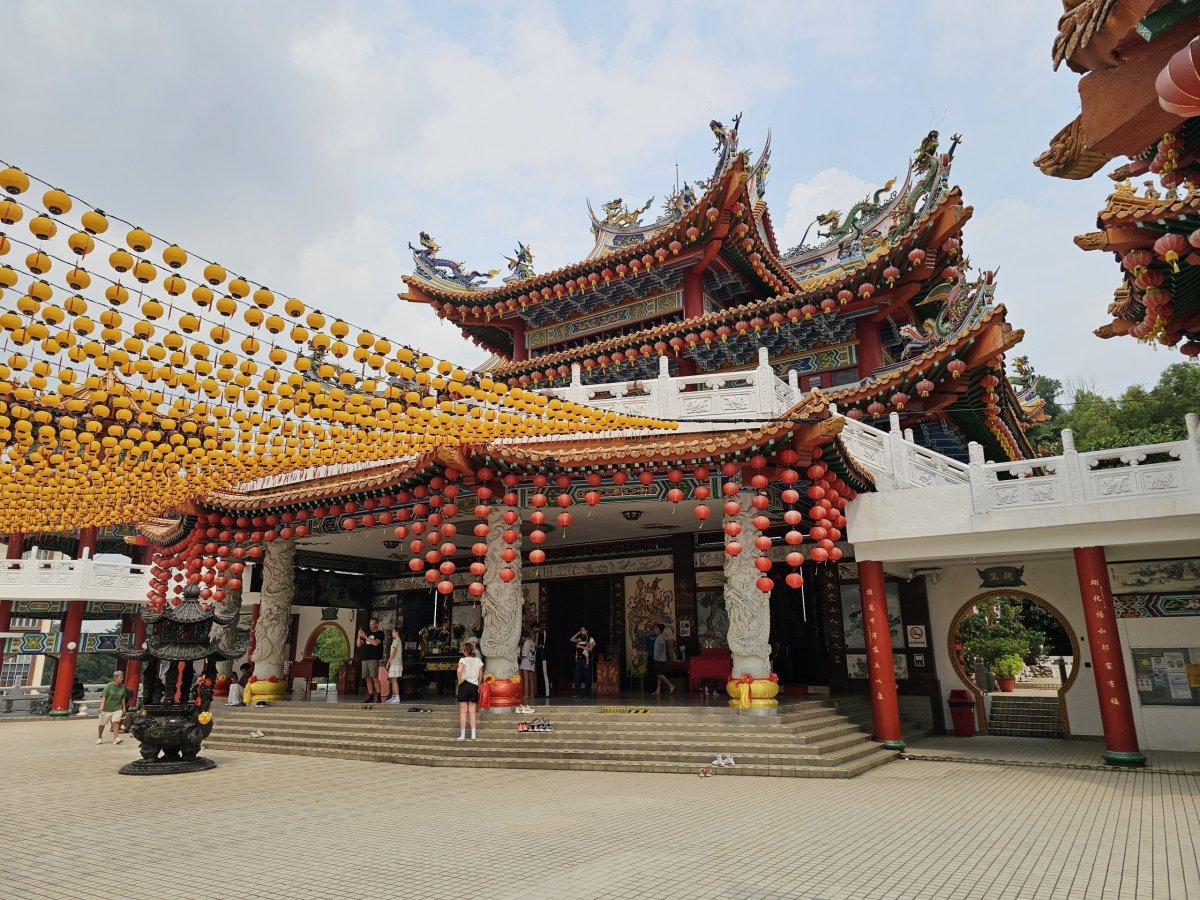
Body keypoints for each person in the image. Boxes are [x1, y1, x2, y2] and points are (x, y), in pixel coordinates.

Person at [456, 637, 484, 741]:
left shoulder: (463, 660)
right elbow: (481, 673)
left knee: (463, 712)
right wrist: (478, 683)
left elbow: (459, 671)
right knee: (472, 712)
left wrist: (460, 681)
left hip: (464, 685)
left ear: (465, 651)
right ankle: (473, 735)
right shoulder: (478, 660)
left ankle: (463, 735)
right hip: (474, 686)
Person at [357, 616, 385, 703]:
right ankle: (371, 697)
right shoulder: (367, 633)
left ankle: (379, 697)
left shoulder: (380, 633)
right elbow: (358, 645)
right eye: (370, 624)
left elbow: (376, 643)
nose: (371, 626)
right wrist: (359, 636)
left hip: (373, 658)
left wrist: (366, 637)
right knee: (367, 678)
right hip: (364, 658)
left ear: (377, 624)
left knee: (374, 677)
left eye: (372, 624)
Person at [96, 671, 126, 745]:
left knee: (116, 722)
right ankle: (99, 737)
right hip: (106, 708)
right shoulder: (109, 686)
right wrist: (102, 706)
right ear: (115, 678)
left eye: (122, 677)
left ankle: (116, 738)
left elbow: (123, 698)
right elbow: (104, 696)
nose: (121, 679)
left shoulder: (122, 686)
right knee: (102, 724)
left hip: (117, 708)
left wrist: (124, 707)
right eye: (120, 677)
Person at [570, 626, 595, 698]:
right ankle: (578, 693)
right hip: (580, 660)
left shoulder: (591, 639)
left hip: (586, 660)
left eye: (582, 630)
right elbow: (571, 639)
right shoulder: (580, 639)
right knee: (577, 677)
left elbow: (590, 649)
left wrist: (581, 647)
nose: (581, 631)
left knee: (587, 677)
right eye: (580, 630)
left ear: (586, 631)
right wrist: (578, 633)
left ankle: (588, 694)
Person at [651, 623, 675, 695]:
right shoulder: (659, 637)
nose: (654, 630)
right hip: (659, 659)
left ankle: (671, 685)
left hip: (660, 659)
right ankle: (658, 690)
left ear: (659, 629)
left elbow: (661, 647)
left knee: (659, 674)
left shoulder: (660, 637)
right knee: (659, 675)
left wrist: (657, 656)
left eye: (655, 628)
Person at [385, 625, 404, 704]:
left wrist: (388, 662)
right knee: (393, 680)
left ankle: (397, 697)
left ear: (397, 632)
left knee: (394, 681)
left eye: (393, 631)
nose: (392, 633)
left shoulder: (396, 641)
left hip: (395, 663)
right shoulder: (398, 641)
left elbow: (393, 653)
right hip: (396, 663)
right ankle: (393, 697)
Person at [532, 623, 550, 697]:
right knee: (539, 674)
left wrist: (536, 643)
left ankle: (546, 692)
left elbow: (540, 645)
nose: (533, 630)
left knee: (544, 674)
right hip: (539, 656)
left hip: (543, 656)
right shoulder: (539, 633)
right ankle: (540, 692)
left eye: (533, 628)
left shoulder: (542, 633)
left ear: (535, 627)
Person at [519, 629, 536, 701]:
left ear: (523, 636)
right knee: (531, 679)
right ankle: (531, 694)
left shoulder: (526, 642)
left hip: (526, 661)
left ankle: (526, 694)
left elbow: (525, 654)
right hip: (532, 661)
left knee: (526, 679)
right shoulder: (532, 642)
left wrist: (519, 657)